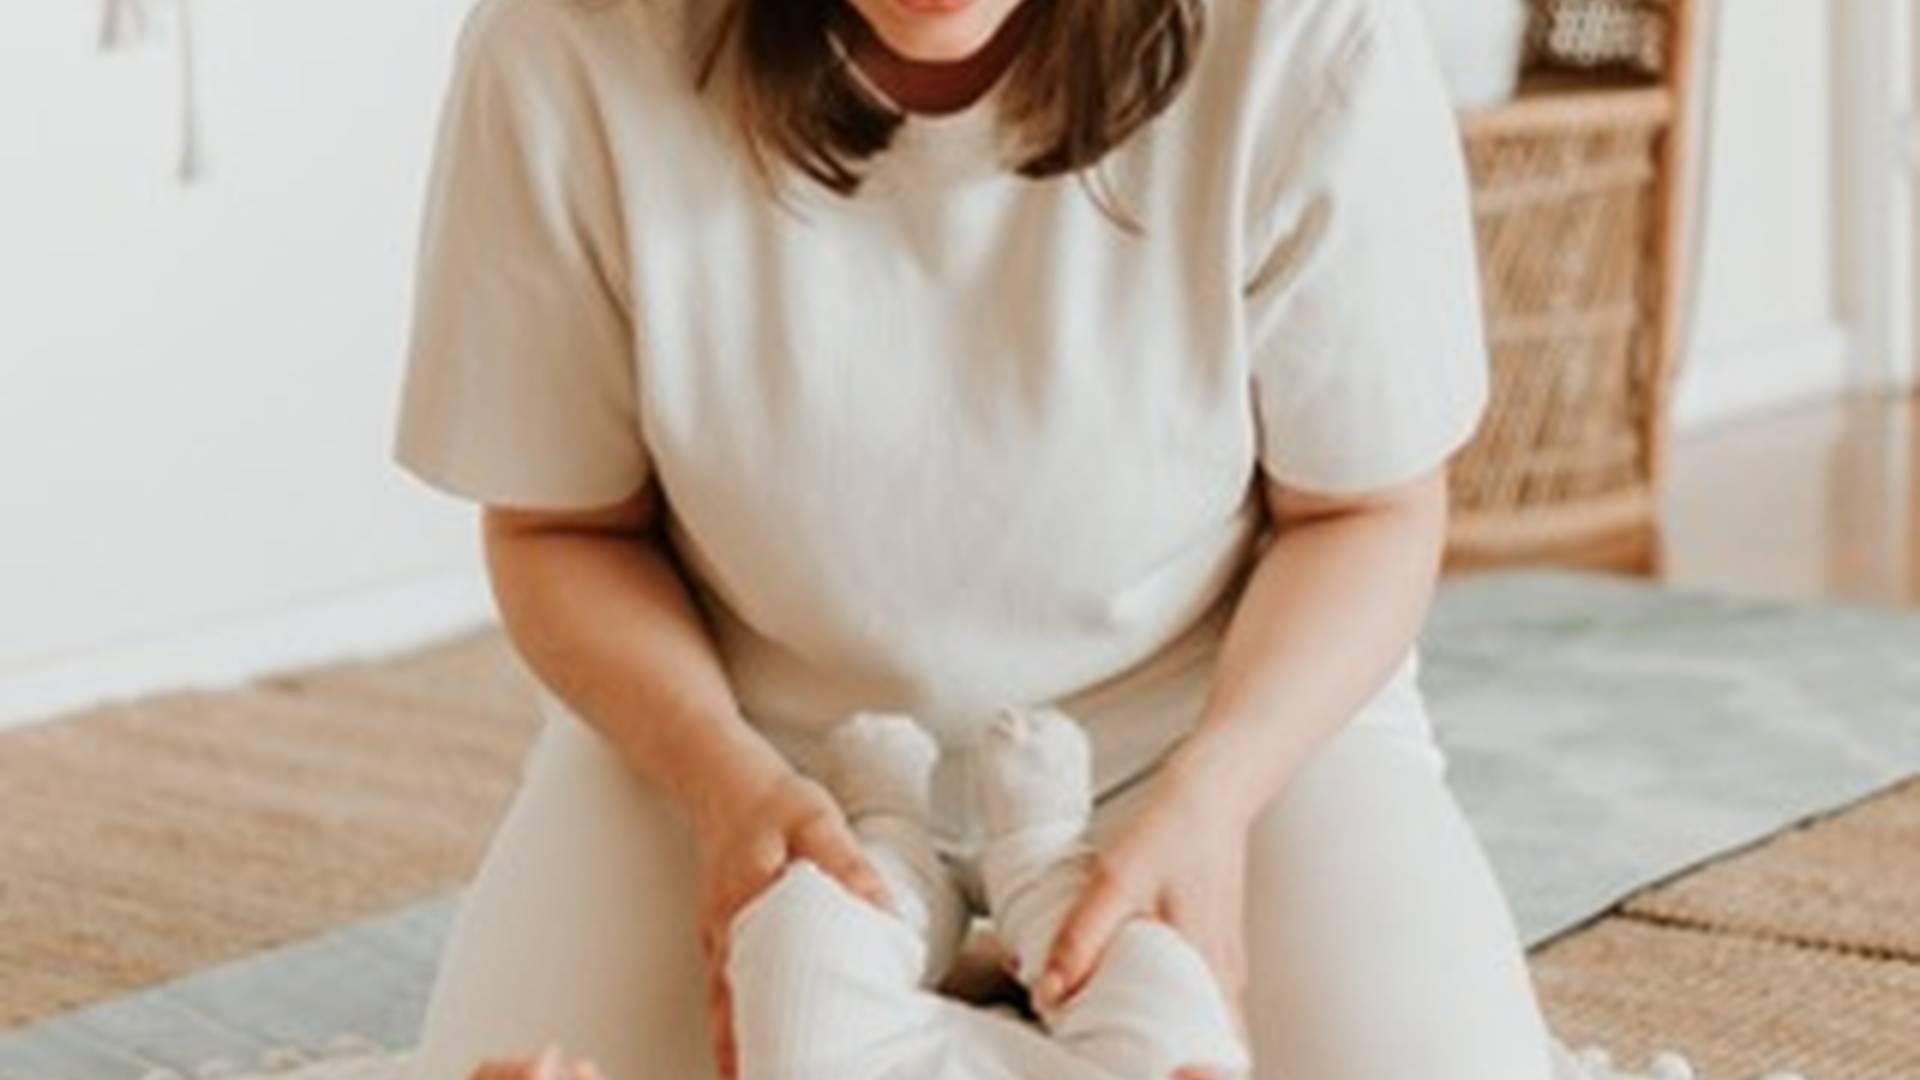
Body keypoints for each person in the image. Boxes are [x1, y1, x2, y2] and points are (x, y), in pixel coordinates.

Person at [392, 0, 1581, 1074]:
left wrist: (1216, 795)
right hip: (748, 756)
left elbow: (1365, 512)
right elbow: (563, 529)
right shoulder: (563, 48)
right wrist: (722, 779)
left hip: (1198, 739)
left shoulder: (1316, 38)